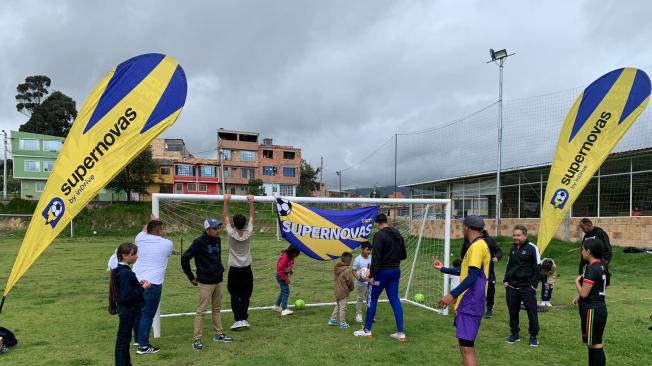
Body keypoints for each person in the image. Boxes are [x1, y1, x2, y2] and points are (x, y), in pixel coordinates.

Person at [433, 215, 491, 366]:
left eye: (463, 226)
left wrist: (451, 294)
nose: (461, 228)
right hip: (469, 302)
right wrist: (443, 269)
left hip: (470, 302)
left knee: (466, 347)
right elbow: (466, 271)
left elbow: (472, 277)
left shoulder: (478, 246)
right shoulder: (477, 245)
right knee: (464, 346)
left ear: (467, 228)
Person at [353, 213, 407, 341]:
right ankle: (401, 333)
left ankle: (366, 330)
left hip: (382, 272)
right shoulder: (398, 234)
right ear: (386, 221)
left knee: (372, 299)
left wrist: (371, 275)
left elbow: (376, 257)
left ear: (377, 223)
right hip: (395, 271)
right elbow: (404, 255)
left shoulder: (379, 235)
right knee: (395, 299)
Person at [181, 218, 233, 350]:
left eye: (218, 228)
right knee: (201, 311)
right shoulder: (198, 242)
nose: (217, 231)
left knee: (217, 309)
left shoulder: (218, 240)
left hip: (218, 279)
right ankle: (197, 339)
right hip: (205, 282)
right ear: (207, 229)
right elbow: (185, 258)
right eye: (215, 228)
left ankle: (218, 334)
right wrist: (191, 277)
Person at [109, 242, 151, 366]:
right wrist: (143, 288)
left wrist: (138, 284)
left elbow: (125, 290)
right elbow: (126, 296)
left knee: (125, 339)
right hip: (128, 309)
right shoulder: (125, 273)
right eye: (134, 254)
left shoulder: (121, 270)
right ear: (125, 256)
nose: (136, 256)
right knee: (123, 340)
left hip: (126, 309)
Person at [572, 238, 608, 366]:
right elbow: (596, 287)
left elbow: (584, 293)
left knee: (595, 345)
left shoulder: (592, 269)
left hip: (592, 310)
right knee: (593, 344)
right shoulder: (600, 265)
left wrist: (577, 282)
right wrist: (579, 296)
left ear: (588, 251)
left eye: (583, 250)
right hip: (598, 308)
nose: (582, 252)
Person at [504, 224, 540, 347]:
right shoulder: (512, 248)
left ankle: (533, 336)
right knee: (513, 312)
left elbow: (537, 268)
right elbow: (509, 265)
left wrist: (533, 286)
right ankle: (514, 334)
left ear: (525, 235)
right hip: (512, 287)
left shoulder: (532, 248)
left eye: (518, 235)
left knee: (532, 312)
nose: (516, 237)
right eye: (514, 235)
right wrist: (505, 280)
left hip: (527, 288)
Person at [223, 194, 255, 330]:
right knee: (246, 295)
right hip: (246, 270)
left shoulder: (231, 233)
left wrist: (225, 201)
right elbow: (252, 217)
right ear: (245, 223)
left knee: (235, 295)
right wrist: (251, 202)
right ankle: (243, 318)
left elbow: (225, 217)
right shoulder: (248, 233)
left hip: (235, 270)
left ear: (234, 224)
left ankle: (238, 319)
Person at [578, 219, 612, 286]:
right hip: (589, 266)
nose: (582, 230)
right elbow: (583, 251)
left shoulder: (600, 233)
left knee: (598, 285)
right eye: (581, 228)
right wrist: (581, 266)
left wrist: (605, 262)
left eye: (583, 228)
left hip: (599, 265)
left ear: (589, 225)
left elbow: (608, 249)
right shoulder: (586, 236)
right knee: (585, 284)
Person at [328, 252, 355, 328]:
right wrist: (351, 288)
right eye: (351, 260)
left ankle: (332, 320)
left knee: (338, 305)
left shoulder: (337, 268)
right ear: (348, 261)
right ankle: (342, 323)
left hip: (337, 290)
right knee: (343, 307)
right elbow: (350, 281)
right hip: (343, 292)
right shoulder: (347, 270)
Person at [273, 246, 301, 316]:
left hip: (284, 274)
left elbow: (288, 264)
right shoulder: (284, 258)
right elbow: (280, 271)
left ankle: (276, 306)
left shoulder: (290, 257)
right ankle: (284, 309)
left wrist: (290, 270)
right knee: (286, 291)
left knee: (283, 291)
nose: (296, 256)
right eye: (296, 254)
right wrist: (286, 279)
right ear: (292, 253)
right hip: (281, 276)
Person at [352, 241, 372, 323]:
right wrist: (358, 278)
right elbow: (353, 271)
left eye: (370, 250)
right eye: (367, 250)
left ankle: (370, 314)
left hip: (370, 282)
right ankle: (358, 315)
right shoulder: (357, 260)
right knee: (360, 298)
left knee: (369, 298)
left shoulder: (371, 258)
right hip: (360, 283)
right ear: (362, 249)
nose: (369, 252)